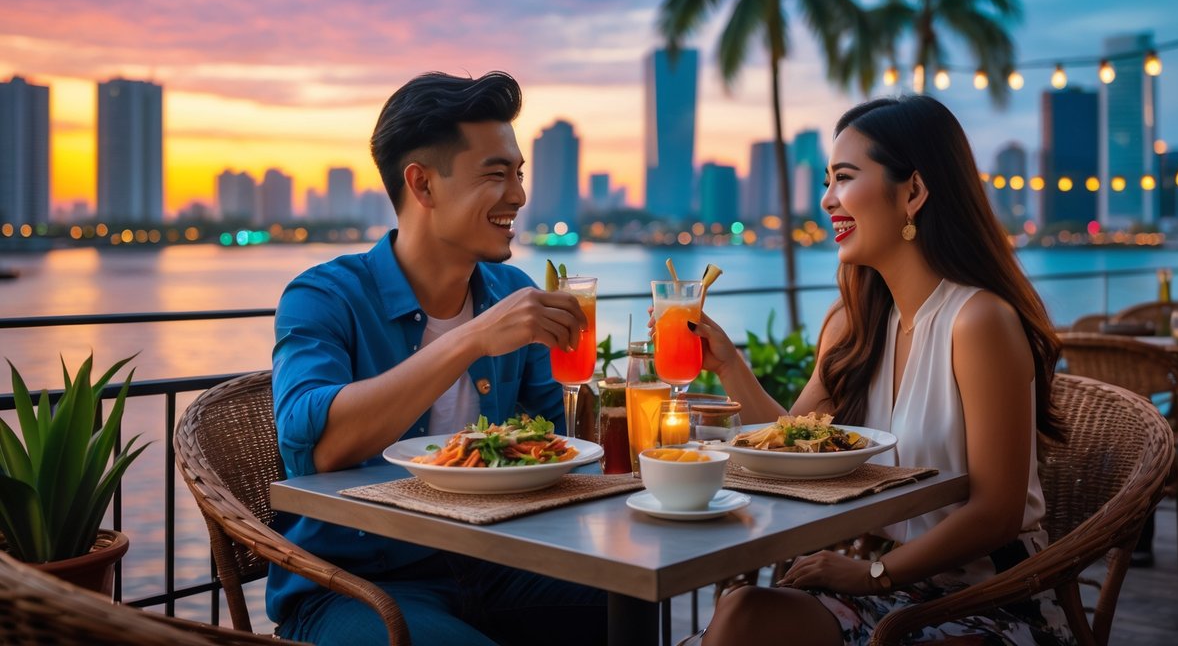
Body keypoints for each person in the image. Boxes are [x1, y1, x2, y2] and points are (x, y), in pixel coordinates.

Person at [687, 95, 1075, 645]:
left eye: (843, 178)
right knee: (741, 613)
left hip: (997, 597)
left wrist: (874, 573)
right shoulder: (854, 323)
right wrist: (727, 364)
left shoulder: (978, 321)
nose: (826, 200)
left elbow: (998, 512)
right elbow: (785, 449)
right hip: (898, 590)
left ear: (913, 192)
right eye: (827, 181)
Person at [270, 71, 607, 645]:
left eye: (519, 173)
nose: (520, 195)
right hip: (358, 584)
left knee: (626, 604)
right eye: (497, 174)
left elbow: (570, 436)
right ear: (422, 185)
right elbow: (317, 449)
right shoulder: (324, 296)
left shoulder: (511, 291)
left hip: (499, 561)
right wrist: (473, 338)